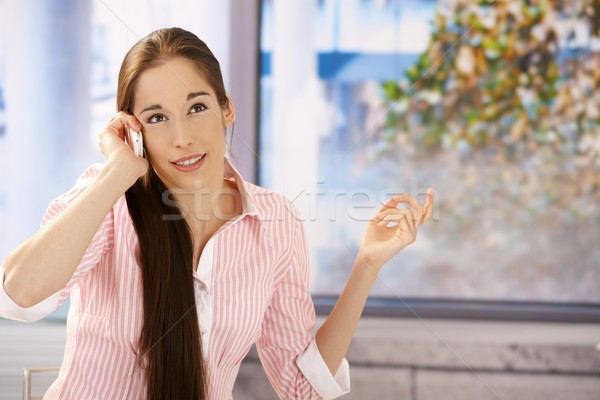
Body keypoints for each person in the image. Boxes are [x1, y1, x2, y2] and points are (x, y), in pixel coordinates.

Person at [0, 27, 434, 400]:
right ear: (131, 130)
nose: (182, 137)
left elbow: (302, 389)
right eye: (156, 118)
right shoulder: (107, 199)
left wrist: (366, 264)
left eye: (197, 107)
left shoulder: (275, 223)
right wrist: (116, 174)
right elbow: (19, 295)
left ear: (226, 108)